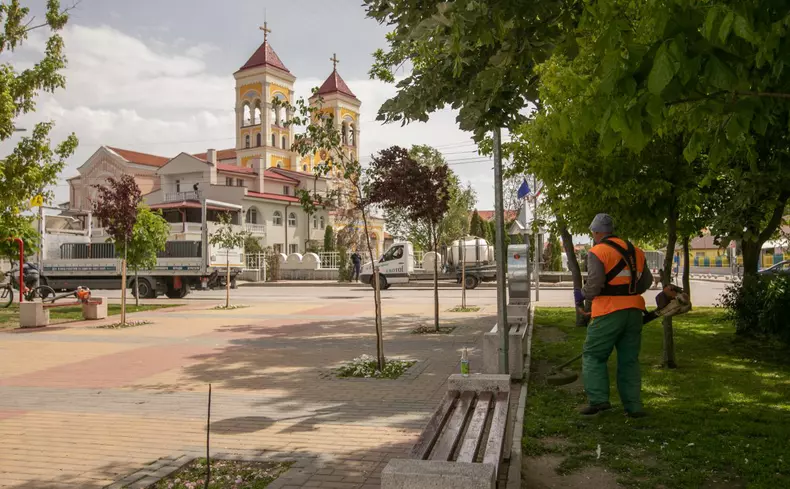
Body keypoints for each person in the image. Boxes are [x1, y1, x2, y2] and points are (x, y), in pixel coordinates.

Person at [574, 214, 654, 418]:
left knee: (593, 355)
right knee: (629, 360)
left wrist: (581, 294)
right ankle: (634, 407)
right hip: (634, 311)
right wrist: (627, 294)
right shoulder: (636, 251)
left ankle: (598, 400)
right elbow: (646, 282)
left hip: (608, 312)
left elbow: (594, 285)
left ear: (596, 232)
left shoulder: (598, 252)